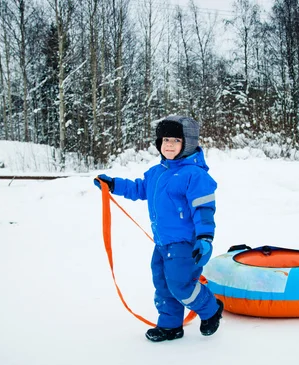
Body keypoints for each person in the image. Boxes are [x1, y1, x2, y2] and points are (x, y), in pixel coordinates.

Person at [94, 115, 224, 342]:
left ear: (188, 143)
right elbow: (138, 189)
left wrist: (205, 238)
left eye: (175, 140)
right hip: (162, 243)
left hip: (185, 245)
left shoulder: (195, 175)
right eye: (165, 140)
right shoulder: (156, 172)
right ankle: (170, 325)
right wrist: (113, 184)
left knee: (181, 285)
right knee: (163, 285)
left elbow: (204, 209)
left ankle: (210, 308)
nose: (169, 145)